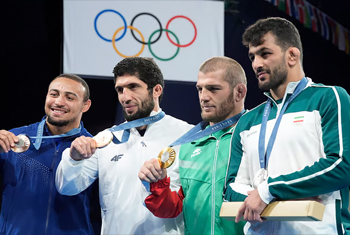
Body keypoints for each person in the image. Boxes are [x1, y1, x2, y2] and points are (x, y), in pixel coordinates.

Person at [224, 17, 350, 235]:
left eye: (265, 53)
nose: (256, 64)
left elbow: (341, 165)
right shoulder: (247, 120)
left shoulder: (329, 98)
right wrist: (259, 198)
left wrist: (269, 191)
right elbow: (231, 186)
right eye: (252, 56)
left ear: (292, 55)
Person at [55, 57, 194, 235]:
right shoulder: (106, 139)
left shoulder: (186, 135)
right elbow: (67, 187)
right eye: (120, 90)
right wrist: (74, 158)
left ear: (156, 90)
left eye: (133, 87)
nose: (125, 97)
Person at [139, 56, 247, 235]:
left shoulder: (255, 135)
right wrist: (158, 183)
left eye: (213, 89)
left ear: (239, 92)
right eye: (200, 89)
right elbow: (173, 208)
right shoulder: (188, 145)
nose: (204, 97)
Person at [0, 74, 100, 234]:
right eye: (53, 94)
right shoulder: (13, 139)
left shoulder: (95, 149)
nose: (59, 102)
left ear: (85, 105)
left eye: (70, 97)